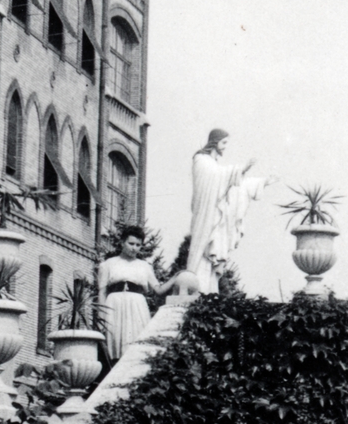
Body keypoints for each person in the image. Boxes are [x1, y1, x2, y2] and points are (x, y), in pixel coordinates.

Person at [188, 130, 276, 293]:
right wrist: (241, 168)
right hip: (206, 217)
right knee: (202, 254)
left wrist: (261, 182)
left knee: (211, 259)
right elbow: (217, 178)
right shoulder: (201, 160)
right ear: (215, 142)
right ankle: (198, 290)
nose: (225, 147)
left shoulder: (215, 167)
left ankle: (209, 294)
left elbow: (234, 187)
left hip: (216, 219)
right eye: (224, 143)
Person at [97, 225, 175, 362]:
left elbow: (158, 290)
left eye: (138, 245)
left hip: (136, 306)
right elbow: (102, 292)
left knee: (136, 340)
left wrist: (176, 277)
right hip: (114, 305)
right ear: (122, 242)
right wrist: (101, 316)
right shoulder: (109, 264)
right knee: (115, 340)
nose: (134, 248)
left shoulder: (144, 266)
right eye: (131, 243)